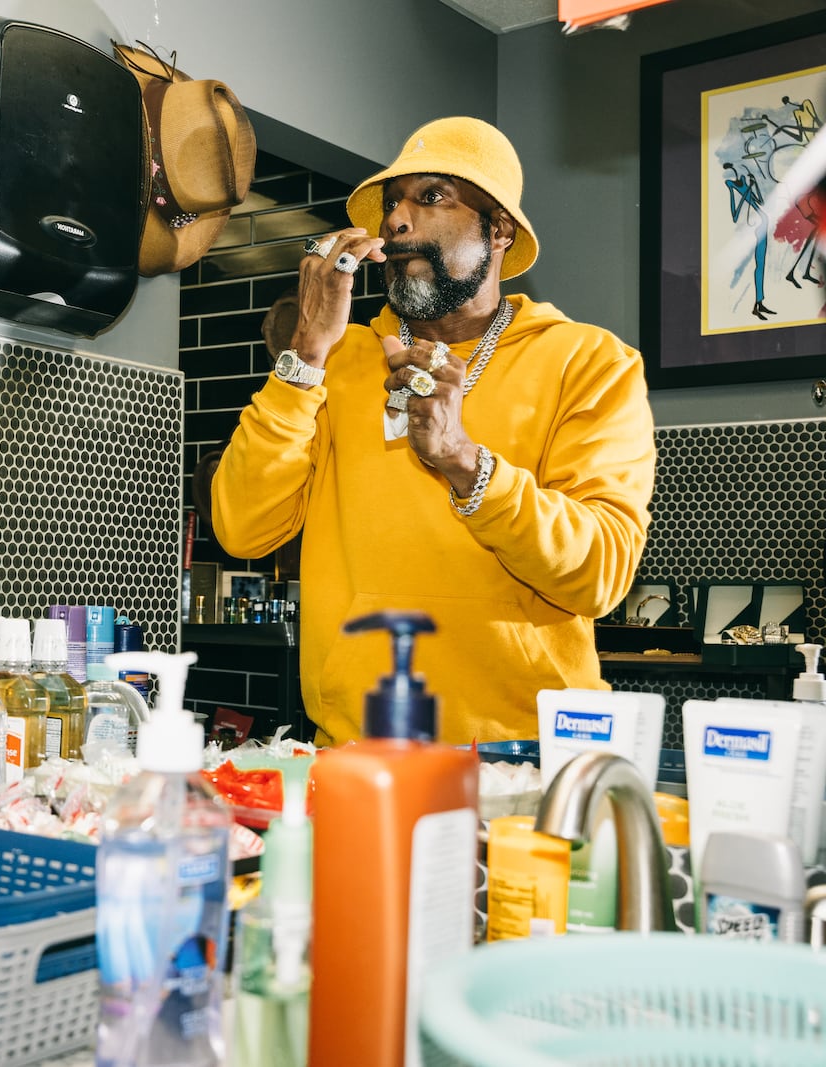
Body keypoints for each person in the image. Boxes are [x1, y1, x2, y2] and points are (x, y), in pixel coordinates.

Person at [211, 117, 655, 748]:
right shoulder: (335, 361)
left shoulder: (589, 362)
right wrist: (306, 352)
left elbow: (601, 575)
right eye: (392, 203)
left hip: (524, 755)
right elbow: (242, 527)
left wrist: (465, 464)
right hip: (358, 747)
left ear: (498, 229)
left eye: (431, 197)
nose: (396, 220)